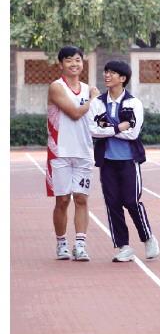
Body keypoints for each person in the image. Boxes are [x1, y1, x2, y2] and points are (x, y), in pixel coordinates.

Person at [88, 60, 159, 262]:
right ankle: (123, 246)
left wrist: (107, 130)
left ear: (123, 78)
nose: (107, 75)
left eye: (112, 73)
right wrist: (119, 127)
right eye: (106, 71)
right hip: (107, 161)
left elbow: (133, 133)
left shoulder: (133, 103)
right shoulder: (98, 103)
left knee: (131, 201)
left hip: (129, 161)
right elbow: (92, 130)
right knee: (112, 204)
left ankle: (148, 238)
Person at [46, 46, 100, 261]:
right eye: (69, 61)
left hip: (84, 152)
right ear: (61, 64)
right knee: (62, 200)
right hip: (60, 152)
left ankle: (80, 244)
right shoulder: (56, 87)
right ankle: (61, 243)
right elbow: (76, 113)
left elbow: (95, 120)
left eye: (78, 60)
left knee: (81, 198)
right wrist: (94, 98)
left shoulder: (87, 88)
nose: (74, 64)